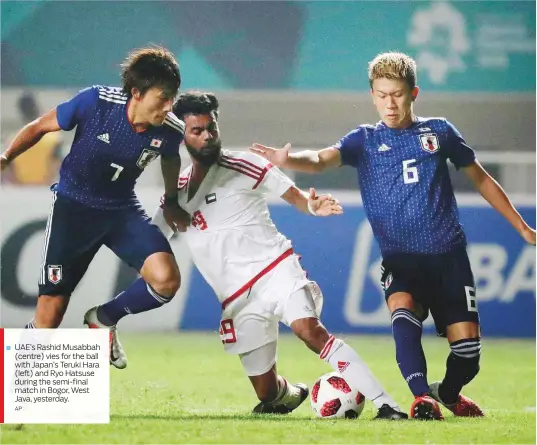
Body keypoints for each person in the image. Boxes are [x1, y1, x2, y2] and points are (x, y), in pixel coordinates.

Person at [249, 51, 536, 420]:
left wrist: (523, 227)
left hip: (449, 258)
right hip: (401, 259)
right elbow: (321, 159)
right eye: (382, 95)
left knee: (467, 356)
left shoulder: (440, 132)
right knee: (403, 312)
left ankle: (446, 392)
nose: (390, 103)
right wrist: (289, 160)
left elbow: (480, 177)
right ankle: (422, 399)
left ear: (413, 93)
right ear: (372, 95)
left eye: (397, 94)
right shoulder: (364, 140)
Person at [139, 90, 406, 419]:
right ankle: (288, 393)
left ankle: (387, 405)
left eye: (212, 128)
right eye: (197, 131)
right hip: (237, 300)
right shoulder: (176, 194)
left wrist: (312, 204)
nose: (208, 136)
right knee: (267, 395)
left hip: (275, 270)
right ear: (182, 136)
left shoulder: (245, 164)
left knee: (309, 330)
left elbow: (296, 197)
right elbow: (147, 244)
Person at [0, 46, 191, 371]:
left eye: (173, 97)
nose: (168, 107)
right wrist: (5, 159)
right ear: (136, 92)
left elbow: (171, 159)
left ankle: (104, 319)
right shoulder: (96, 102)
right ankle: (16, 384)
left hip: (121, 210)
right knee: (49, 318)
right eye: (162, 98)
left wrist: (172, 201)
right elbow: (37, 127)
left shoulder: (170, 130)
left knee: (166, 280)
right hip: (73, 209)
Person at [2, 92, 63, 185]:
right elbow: (56, 166)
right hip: (45, 192)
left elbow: (9, 173)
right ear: (38, 109)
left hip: (21, 194)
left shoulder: (12, 140)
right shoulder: (54, 138)